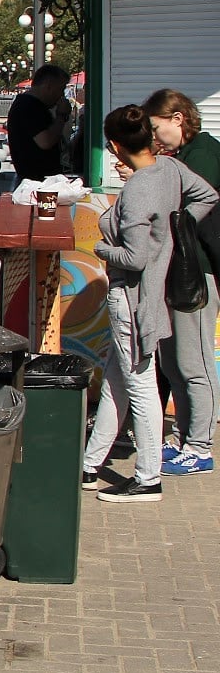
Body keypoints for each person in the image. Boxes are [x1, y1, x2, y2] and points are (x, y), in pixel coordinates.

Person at [82, 105, 218, 501]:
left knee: (139, 385)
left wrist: (102, 249)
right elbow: (207, 195)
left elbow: (136, 257)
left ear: (114, 146)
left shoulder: (141, 187)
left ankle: (148, 477)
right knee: (117, 381)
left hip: (132, 297)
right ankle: (91, 464)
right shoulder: (171, 170)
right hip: (154, 294)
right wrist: (176, 230)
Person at [144, 89, 220, 475]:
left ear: (178, 119)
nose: (155, 137)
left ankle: (201, 446)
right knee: (174, 360)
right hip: (182, 272)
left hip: (198, 273)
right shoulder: (185, 156)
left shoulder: (203, 154)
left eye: (157, 128)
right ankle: (187, 436)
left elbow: (190, 215)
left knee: (195, 362)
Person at [6, 64, 73, 182]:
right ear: (49, 86)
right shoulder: (29, 107)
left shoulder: (30, 105)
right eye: (61, 89)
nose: (61, 96)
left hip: (38, 178)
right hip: (37, 180)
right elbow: (45, 141)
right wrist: (61, 116)